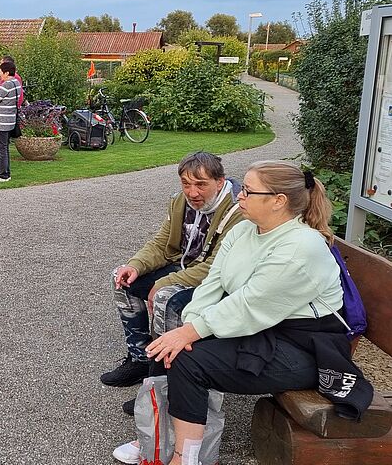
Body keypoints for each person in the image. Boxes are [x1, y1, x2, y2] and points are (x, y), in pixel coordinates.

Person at [113, 161, 374, 465]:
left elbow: (251, 304)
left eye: (249, 191)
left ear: (278, 201)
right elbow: (212, 285)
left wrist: (190, 333)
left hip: (306, 349)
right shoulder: (245, 231)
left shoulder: (301, 247)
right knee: (168, 349)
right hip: (264, 330)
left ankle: (184, 458)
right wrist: (188, 327)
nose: (239, 195)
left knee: (187, 360)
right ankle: (156, 439)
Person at [101, 152, 243, 403]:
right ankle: (140, 359)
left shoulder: (236, 211)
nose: (192, 192)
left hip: (214, 282)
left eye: (201, 185)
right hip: (182, 268)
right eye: (186, 184)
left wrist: (164, 282)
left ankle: (164, 384)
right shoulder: (179, 201)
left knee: (166, 298)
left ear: (220, 182)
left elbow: (216, 267)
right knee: (122, 279)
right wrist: (135, 265)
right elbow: (161, 243)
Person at [0, 62, 21, 183]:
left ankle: (3, 175)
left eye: (0, 72)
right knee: (5, 147)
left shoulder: (6, 84)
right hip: (10, 120)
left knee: (1, 149)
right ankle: (6, 171)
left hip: (2, 122)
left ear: (6, 73)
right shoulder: (16, 83)